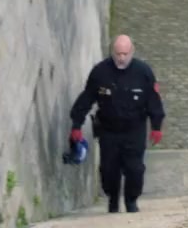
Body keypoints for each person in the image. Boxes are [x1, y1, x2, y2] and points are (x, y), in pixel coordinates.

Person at [69, 35, 166, 214]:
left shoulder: (143, 72)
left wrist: (156, 126)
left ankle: (131, 201)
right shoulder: (100, 72)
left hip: (134, 129)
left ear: (132, 52)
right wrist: (76, 125)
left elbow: (154, 100)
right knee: (108, 169)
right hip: (109, 130)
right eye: (118, 53)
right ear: (112, 52)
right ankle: (113, 198)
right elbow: (86, 98)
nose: (121, 58)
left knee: (135, 169)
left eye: (125, 54)